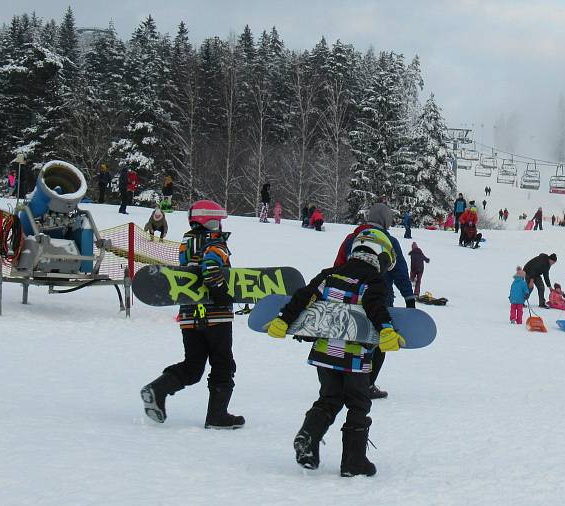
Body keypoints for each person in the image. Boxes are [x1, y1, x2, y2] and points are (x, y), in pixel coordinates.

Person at [268, 228, 403, 476]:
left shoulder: (329, 275)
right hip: (355, 357)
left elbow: (303, 297)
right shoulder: (373, 282)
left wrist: (283, 320)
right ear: (380, 257)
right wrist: (386, 330)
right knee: (358, 404)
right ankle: (354, 461)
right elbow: (374, 307)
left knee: (329, 398)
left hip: (324, 353)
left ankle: (308, 437)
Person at [140, 200, 244, 428]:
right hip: (215, 316)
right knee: (223, 364)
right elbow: (210, 268)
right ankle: (217, 416)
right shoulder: (216, 244)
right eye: (216, 221)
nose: (219, 226)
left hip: (189, 315)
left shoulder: (186, 245)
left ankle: (158, 389)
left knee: (194, 366)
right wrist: (220, 293)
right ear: (208, 222)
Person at [334, 198, 414, 400]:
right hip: (380, 299)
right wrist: (409, 298)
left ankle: (345, 381)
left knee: (352, 337)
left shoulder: (352, 238)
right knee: (378, 342)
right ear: (386, 221)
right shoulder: (389, 241)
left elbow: (338, 266)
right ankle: (367, 384)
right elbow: (400, 273)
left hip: (350, 297)